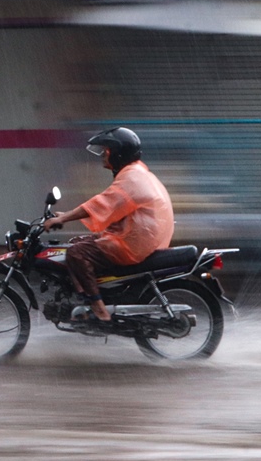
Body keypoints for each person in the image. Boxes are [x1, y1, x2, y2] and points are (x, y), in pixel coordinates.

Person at [44, 127, 174, 321]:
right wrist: (67, 215)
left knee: (77, 253)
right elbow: (110, 208)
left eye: (107, 151)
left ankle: (98, 306)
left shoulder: (132, 178)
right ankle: (95, 293)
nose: (103, 156)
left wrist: (63, 218)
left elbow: (100, 204)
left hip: (134, 244)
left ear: (118, 153)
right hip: (139, 237)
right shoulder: (136, 173)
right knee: (78, 242)